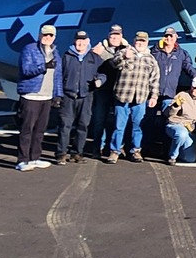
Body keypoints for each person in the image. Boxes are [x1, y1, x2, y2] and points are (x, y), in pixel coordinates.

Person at [106, 30, 160, 161]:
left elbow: (155, 79)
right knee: (119, 126)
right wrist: (124, 57)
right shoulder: (124, 52)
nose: (140, 43)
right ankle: (114, 151)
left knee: (138, 127)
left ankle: (135, 151)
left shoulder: (151, 59)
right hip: (123, 96)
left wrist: (154, 96)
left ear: (147, 42)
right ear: (134, 41)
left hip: (140, 98)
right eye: (138, 40)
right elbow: (113, 64)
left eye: (143, 41)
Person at [14, 25, 60, 171]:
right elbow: (26, 70)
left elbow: (57, 76)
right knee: (27, 129)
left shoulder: (55, 52)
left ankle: (35, 158)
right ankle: (22, 160)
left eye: (51, 35)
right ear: (39, 35)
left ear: (54, 37)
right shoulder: (29, 49)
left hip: (46, 96)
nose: (48, 38)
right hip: (31, 95)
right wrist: (43, 66)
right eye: (45, 35)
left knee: (40, 130)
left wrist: (58, 94)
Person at [54, 27, 103, 161]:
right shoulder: (67, 56)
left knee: (83, 125)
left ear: (88, 41)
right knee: (65, 126)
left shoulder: (94, 57)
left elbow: (103, 73)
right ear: (74, 41)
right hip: (68, 96)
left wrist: (100, 80)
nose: (80, 43)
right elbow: (58, 76)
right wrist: (58, 95)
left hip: (86, 96)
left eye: (83, 40)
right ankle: (61, 154)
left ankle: (77, 153)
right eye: (78, 41)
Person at [149, 29, 190, 157]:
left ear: (176, 37)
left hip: (169, 93)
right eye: (166, 36)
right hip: (154, 93)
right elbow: (150, 56)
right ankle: (145, 149)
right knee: (147, 121)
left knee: (168, 122)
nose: (168, 38)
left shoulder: (181, 53)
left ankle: (166, 150)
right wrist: (157, 45)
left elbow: (188, 67)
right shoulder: (156, 51)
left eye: (171, 36)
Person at [91, 23, 126, 158]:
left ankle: (114, 148)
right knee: (100, 120)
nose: (114, 37)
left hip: (119, 90)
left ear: (121, 36)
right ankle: (97, 148)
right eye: (112, 35)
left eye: (117, 35)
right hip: (103, 90)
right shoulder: (99, 49)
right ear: (108, 36)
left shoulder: (126, 50)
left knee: (119, 121)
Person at [163, 75, 196, 164]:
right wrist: (176, 106)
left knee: (190, 159)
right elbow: (168, 113)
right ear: (191, 87)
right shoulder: (182, 95)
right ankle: (172, 156)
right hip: (176, 124)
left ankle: (179, 152)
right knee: (182, 134)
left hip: (191, 127)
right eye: (195, 87)